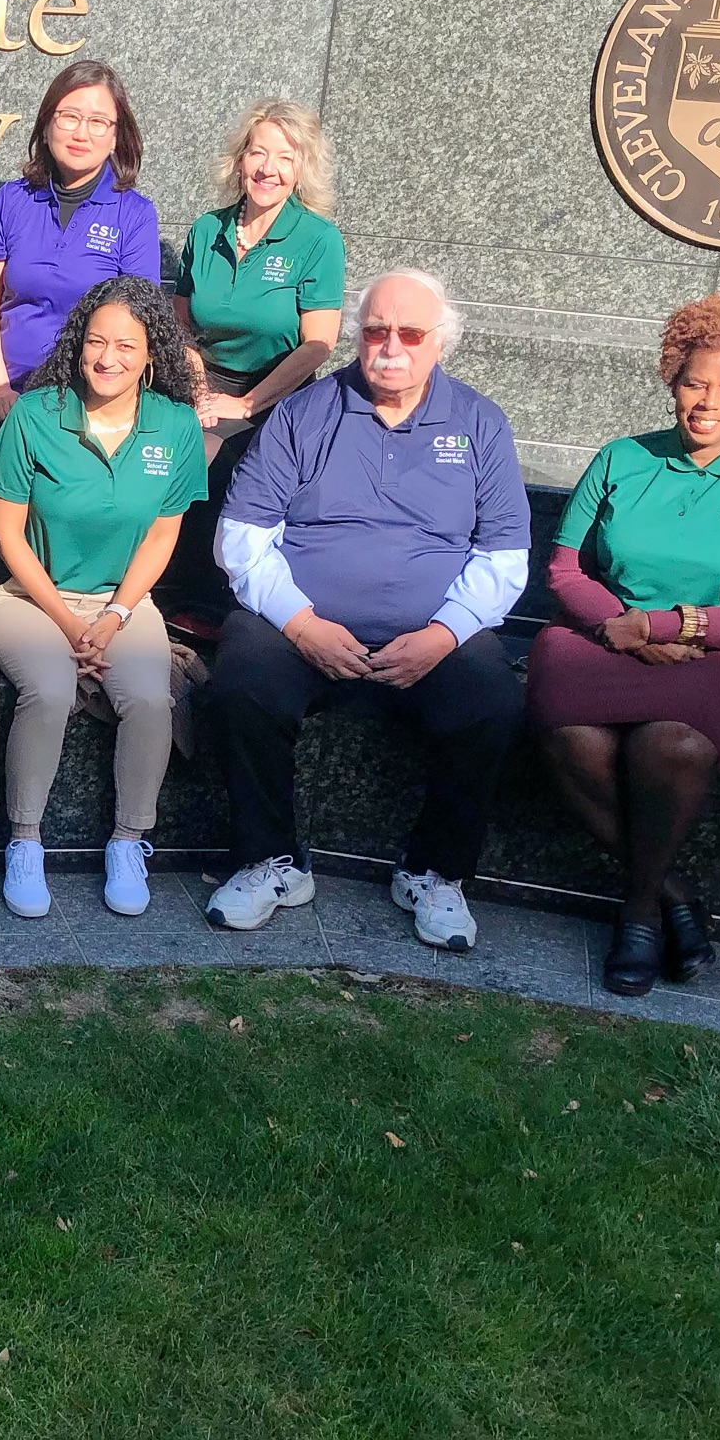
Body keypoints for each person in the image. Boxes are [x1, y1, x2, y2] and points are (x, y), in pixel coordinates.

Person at [204, 270, 529, 949]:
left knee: (492, 698)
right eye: (376, 330)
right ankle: (272, 861)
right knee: (243, 679)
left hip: (433, 635)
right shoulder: (303, 414)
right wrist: (301, 624)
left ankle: (433, 872)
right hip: (303, 625)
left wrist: (444, 635)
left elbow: (504, 559)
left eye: (410, 334)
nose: (390, 347)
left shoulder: (480, 423)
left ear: (441, 342)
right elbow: (241, 538)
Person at [526, 295, 720, 997]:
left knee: (670, 744)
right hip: (614, 637)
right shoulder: (621, 460)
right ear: (672, 379)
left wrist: (664, 627)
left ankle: (636, 913)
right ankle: (676, 897)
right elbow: (565, 569)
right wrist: (619, 630)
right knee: (565, 722)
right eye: (695, 383)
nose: (708, 403)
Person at [0, 276, 204, 919]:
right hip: (28, 595)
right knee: (49, 688)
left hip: (122, 601)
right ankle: (24, 841)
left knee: (149, 696)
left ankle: (129, 841)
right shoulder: (35, 414)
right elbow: (7, 534)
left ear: (151, 355)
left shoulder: (176, 426)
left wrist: (111, 618)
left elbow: (163, 537)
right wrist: (67, 623)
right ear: (78, 346)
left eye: (126, 346)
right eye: (96, 343)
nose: (108, 358)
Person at [168, 99, 346, 621]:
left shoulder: (317, 240)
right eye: (259, 152)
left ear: (302, 168)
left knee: (213, 457)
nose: (268, 168)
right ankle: (153, 593)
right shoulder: (207, 230)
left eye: (285, 157)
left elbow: (319, 343)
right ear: (240, 159)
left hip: (280, 390)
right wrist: (200, 392)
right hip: (200, 380)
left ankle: (215, 606)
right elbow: (182, 325)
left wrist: (246, 403)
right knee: (163, 446)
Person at [0, 59, 161, 439]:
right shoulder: (12, 200)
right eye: (69, 117)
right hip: (9, 390)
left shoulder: (134, 215)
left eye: (98, 121)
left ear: (116, 136)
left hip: (86, 399)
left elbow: (136, 319)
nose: (81, 133)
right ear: (47, 124)